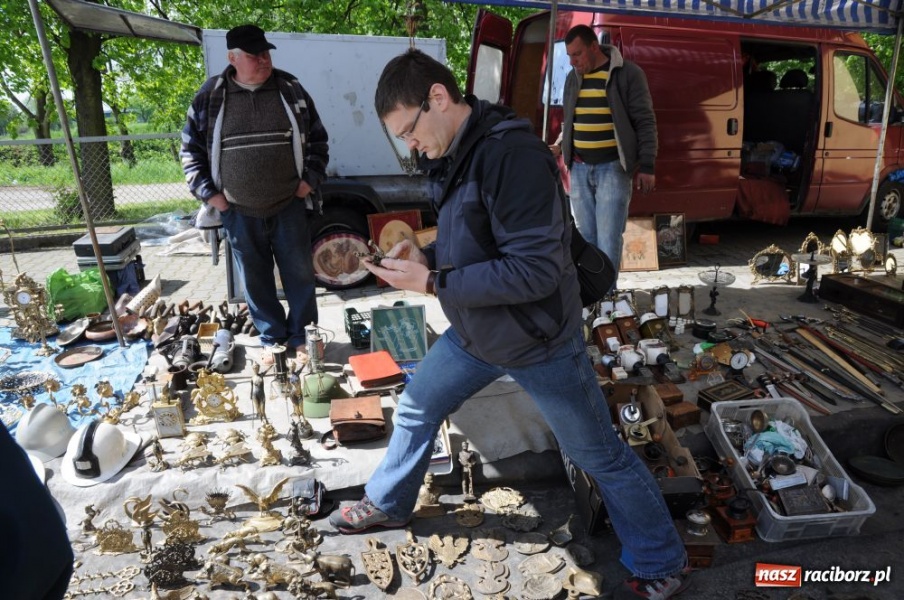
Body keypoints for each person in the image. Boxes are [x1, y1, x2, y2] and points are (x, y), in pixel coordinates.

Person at [329, 49, 690, 599]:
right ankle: (387, 502)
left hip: (538, 337)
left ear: (439, 99)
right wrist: (424, 255)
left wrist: (430, 285)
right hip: (478, 331)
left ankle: (661, 562)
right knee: (417, 403)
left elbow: (535, 272)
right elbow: (476, 238)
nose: (410, 145)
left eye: (409, 131)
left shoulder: (511, 158)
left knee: (600, 455)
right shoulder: (454, 151)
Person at [181, 24, 329, 367]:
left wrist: (309, 181)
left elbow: (319, 140)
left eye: (266, 53)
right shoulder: (211, 95)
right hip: (238, 210)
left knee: (300, 275)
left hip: (288, 205)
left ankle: (303, 336)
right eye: (254, 55)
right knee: (256, 279)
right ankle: (273, 340)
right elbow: (190, 150)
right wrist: (209, 194)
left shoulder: (290, 88)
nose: (264, 60)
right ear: (233, 58)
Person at [551, 25, 657, 276]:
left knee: (608, 240)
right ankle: (591, 299)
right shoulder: (572, 78)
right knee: (585, 240)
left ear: (594, 47)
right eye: (569, 56)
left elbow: (645, 120)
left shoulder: (627, 73)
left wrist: (648, 165)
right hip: (578, 168)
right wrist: (560, 142)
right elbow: (571, 120)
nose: (572, 61)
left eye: (577, 54)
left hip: (613, 168)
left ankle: (607, 302)